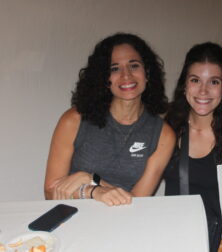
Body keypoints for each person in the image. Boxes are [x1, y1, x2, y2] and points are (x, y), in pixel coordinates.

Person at [44, 33, 175, 206]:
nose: (126, 75)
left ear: (147, 72)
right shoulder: (73, 120)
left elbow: (137, 202)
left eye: (134, 66)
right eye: (114, 68)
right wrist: (92, 191)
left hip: (123, 222)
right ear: (103, 78)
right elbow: (51, 191)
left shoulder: (163, 135)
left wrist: (90, 179)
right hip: (72, 218)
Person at [163, 42, 222, 252]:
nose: (203, 91)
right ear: (184, 84)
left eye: (213, 81)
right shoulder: (169, 125)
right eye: (195, 80)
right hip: (175, 239)